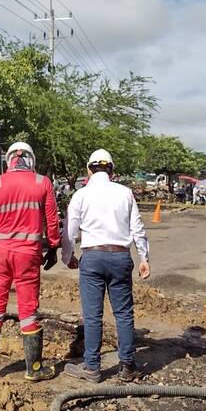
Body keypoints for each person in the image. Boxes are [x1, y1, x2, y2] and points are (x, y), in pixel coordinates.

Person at [61, 149, 151, 383]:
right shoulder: (125, 193)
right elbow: (137, 227)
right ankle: (128, 367)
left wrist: (67, 255)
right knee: (123, 314)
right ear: (111, 169)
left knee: (92, 316)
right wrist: (144, 257)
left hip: (92, 257)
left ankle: (92, 368)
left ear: (89, 170)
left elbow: (70, 230)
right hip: (120, 257)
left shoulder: (81, 194)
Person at [0, 142, 61, 381]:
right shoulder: (42, 183)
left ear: (9, 160)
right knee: (28, 308)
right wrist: (53, 246)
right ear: (30, 160)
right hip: (28, 254)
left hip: (0, 253)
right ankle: (33, 369)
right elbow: (52, 220)